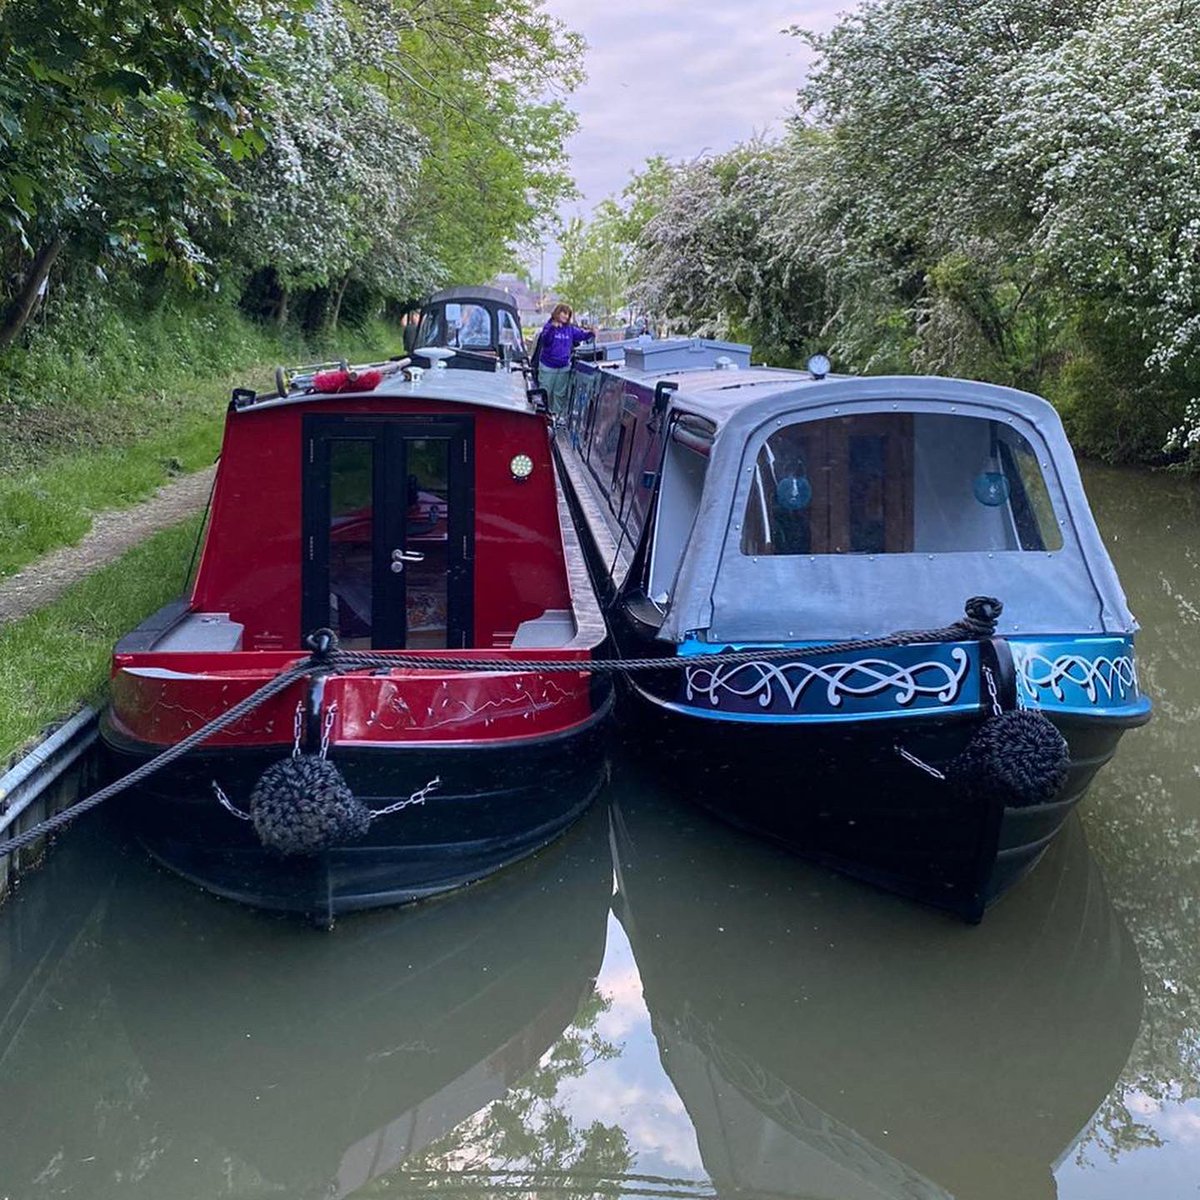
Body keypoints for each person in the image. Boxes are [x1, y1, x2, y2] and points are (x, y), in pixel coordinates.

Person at [532, 304, 594, 420]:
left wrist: (591, 333)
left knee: (559, 394)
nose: (566, 316)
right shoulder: (548, 326)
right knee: (546, 392)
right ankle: (543, 416)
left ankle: (556, 416)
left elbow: (580, 335)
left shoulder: (570, 329)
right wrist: (552, 328)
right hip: (548, 367)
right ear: (557, 313)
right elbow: (545, 341)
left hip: (563, 368)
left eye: (568, 314)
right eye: (564, 313)